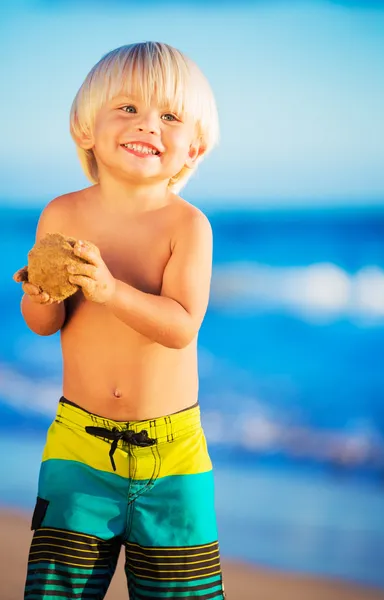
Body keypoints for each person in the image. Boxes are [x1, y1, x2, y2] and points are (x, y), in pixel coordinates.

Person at [13, 41, 225, 600]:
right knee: (55, 591)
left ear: (193, 147)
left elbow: (181, 326)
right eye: (128, 108)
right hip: (78, 447)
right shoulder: (63, 213)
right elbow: (43, 322)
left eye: (170, 116)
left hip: (174, 454)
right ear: (86, 128)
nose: (148, 125)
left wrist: (109, 291)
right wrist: (39, 292)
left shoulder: (188, 227)